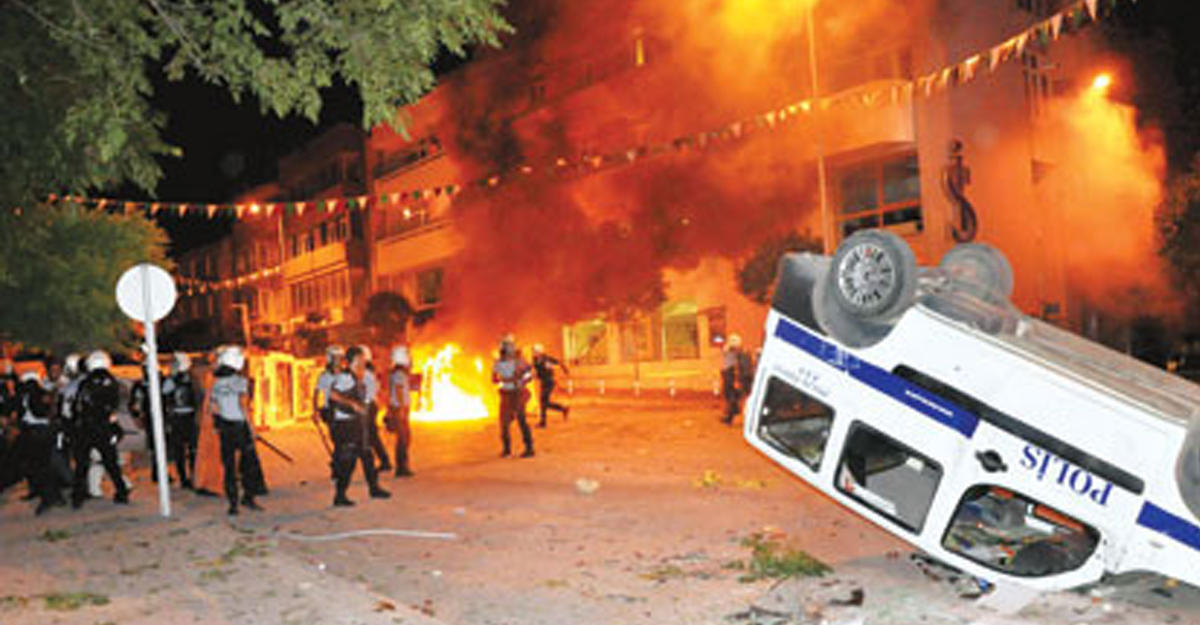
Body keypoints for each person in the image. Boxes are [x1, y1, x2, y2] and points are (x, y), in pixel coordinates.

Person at [328, 346, 390, 506]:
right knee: (348, 462)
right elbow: (332, 394)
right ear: (351, 361)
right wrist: (352, 404)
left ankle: (374, 488)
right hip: (346, 424)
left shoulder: (360, 376)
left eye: (363, 359)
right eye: (359, 359)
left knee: (367, 455)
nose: (363, 361)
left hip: (358, 422)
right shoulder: (345, 377)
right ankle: (340, 495)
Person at [206, 345, 263, 515]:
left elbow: (213, 408)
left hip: (225, 427)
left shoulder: (216, 384)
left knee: (229, 466)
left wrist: (217, 425)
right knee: (248, 464)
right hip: (240, 426)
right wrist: (252, 429)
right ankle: (248, 497)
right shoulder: (241, 382)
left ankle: (233, 504)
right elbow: (243, 406)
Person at [70, 350, 130, 508]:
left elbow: (77, 405)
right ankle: (121, 491)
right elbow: (114, 403)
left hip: (86, 426)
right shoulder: (111, 381)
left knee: (82, 463)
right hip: (103, 426)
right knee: (111, 462)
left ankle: (78, 496)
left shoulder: (85, 382)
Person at [15, 370, 64, 515]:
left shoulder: (39, 394)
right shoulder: (27, 395)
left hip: (40, 431)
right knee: (33, 465)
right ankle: (39, 491)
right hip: (31, 431)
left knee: (43, 466)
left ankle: (49, 498)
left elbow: (41, 412)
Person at [492, 335, 534, 458]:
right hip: (506, 394)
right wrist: (500, 379)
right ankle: (506, 449)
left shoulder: (520, 361)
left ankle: (529, 448)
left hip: (518, 393)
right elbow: (494, 378)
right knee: (504, 423)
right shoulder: (498, 363)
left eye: (509, 346)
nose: (507, 349)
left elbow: (529, 375)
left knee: (521, 420)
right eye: (505, 346)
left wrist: (520, 378)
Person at [161, 352, 198, 489]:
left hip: (187, 416)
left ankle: (192, 476)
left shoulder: (191, 379)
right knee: (180, 450)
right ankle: (184, 478)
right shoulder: (175, 380)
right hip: (178, 416)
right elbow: (164, 393)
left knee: (190, 449)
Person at [191, 349, 223, 497]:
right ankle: (206, 482)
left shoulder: (216, 379)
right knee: (208, 455)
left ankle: (211, 484)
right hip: (208, 422)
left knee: (213, 456)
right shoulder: (210, 377)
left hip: (213, 422)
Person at [360, 346, 392, 472]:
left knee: (369, 435)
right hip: (370, 405)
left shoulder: (365, 373)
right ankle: (383, 461)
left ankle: (381, 461)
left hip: (368, 405)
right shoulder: (368, 372)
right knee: (371, 436)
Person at [313, 345, 343, 478]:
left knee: (343, 442)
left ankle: (338, 465)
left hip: (344, 411)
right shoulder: (324, 376)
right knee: (338, 440)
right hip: (331, 412)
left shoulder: (345, 374)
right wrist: (315, 411)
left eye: (340, 358)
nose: (338, 361)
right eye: (335, 358)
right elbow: (316, 393)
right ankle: (337, 467)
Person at [385, 345, 414, 477]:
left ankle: (402, 466)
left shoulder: (396, 373)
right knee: (403, 438)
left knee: (404, 437)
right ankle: (401, 467)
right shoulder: (399, 374)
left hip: (397, 407)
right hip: (399, 408)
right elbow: (398, 390)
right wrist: (402, 408)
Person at [531, 344, 570, 428]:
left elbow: (558, 362)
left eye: (535, 351)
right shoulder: (535, 361)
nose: (533, 353)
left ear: (539, 352)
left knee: (543, 401)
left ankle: (543, 422)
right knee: (545, 403)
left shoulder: (546, 359)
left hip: (549, 382)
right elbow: (538, 372)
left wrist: (565, 369)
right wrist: (535, 375)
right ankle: (563, 408)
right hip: (544, 382)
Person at [720, 334, 755, 425]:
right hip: (739, 377)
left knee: (734, 397)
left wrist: (737, 380)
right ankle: (731, 416)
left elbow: (737, 367)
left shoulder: (739, 354)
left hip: (736, 377)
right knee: (736, 397)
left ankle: (732, 416)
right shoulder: (741, 352)